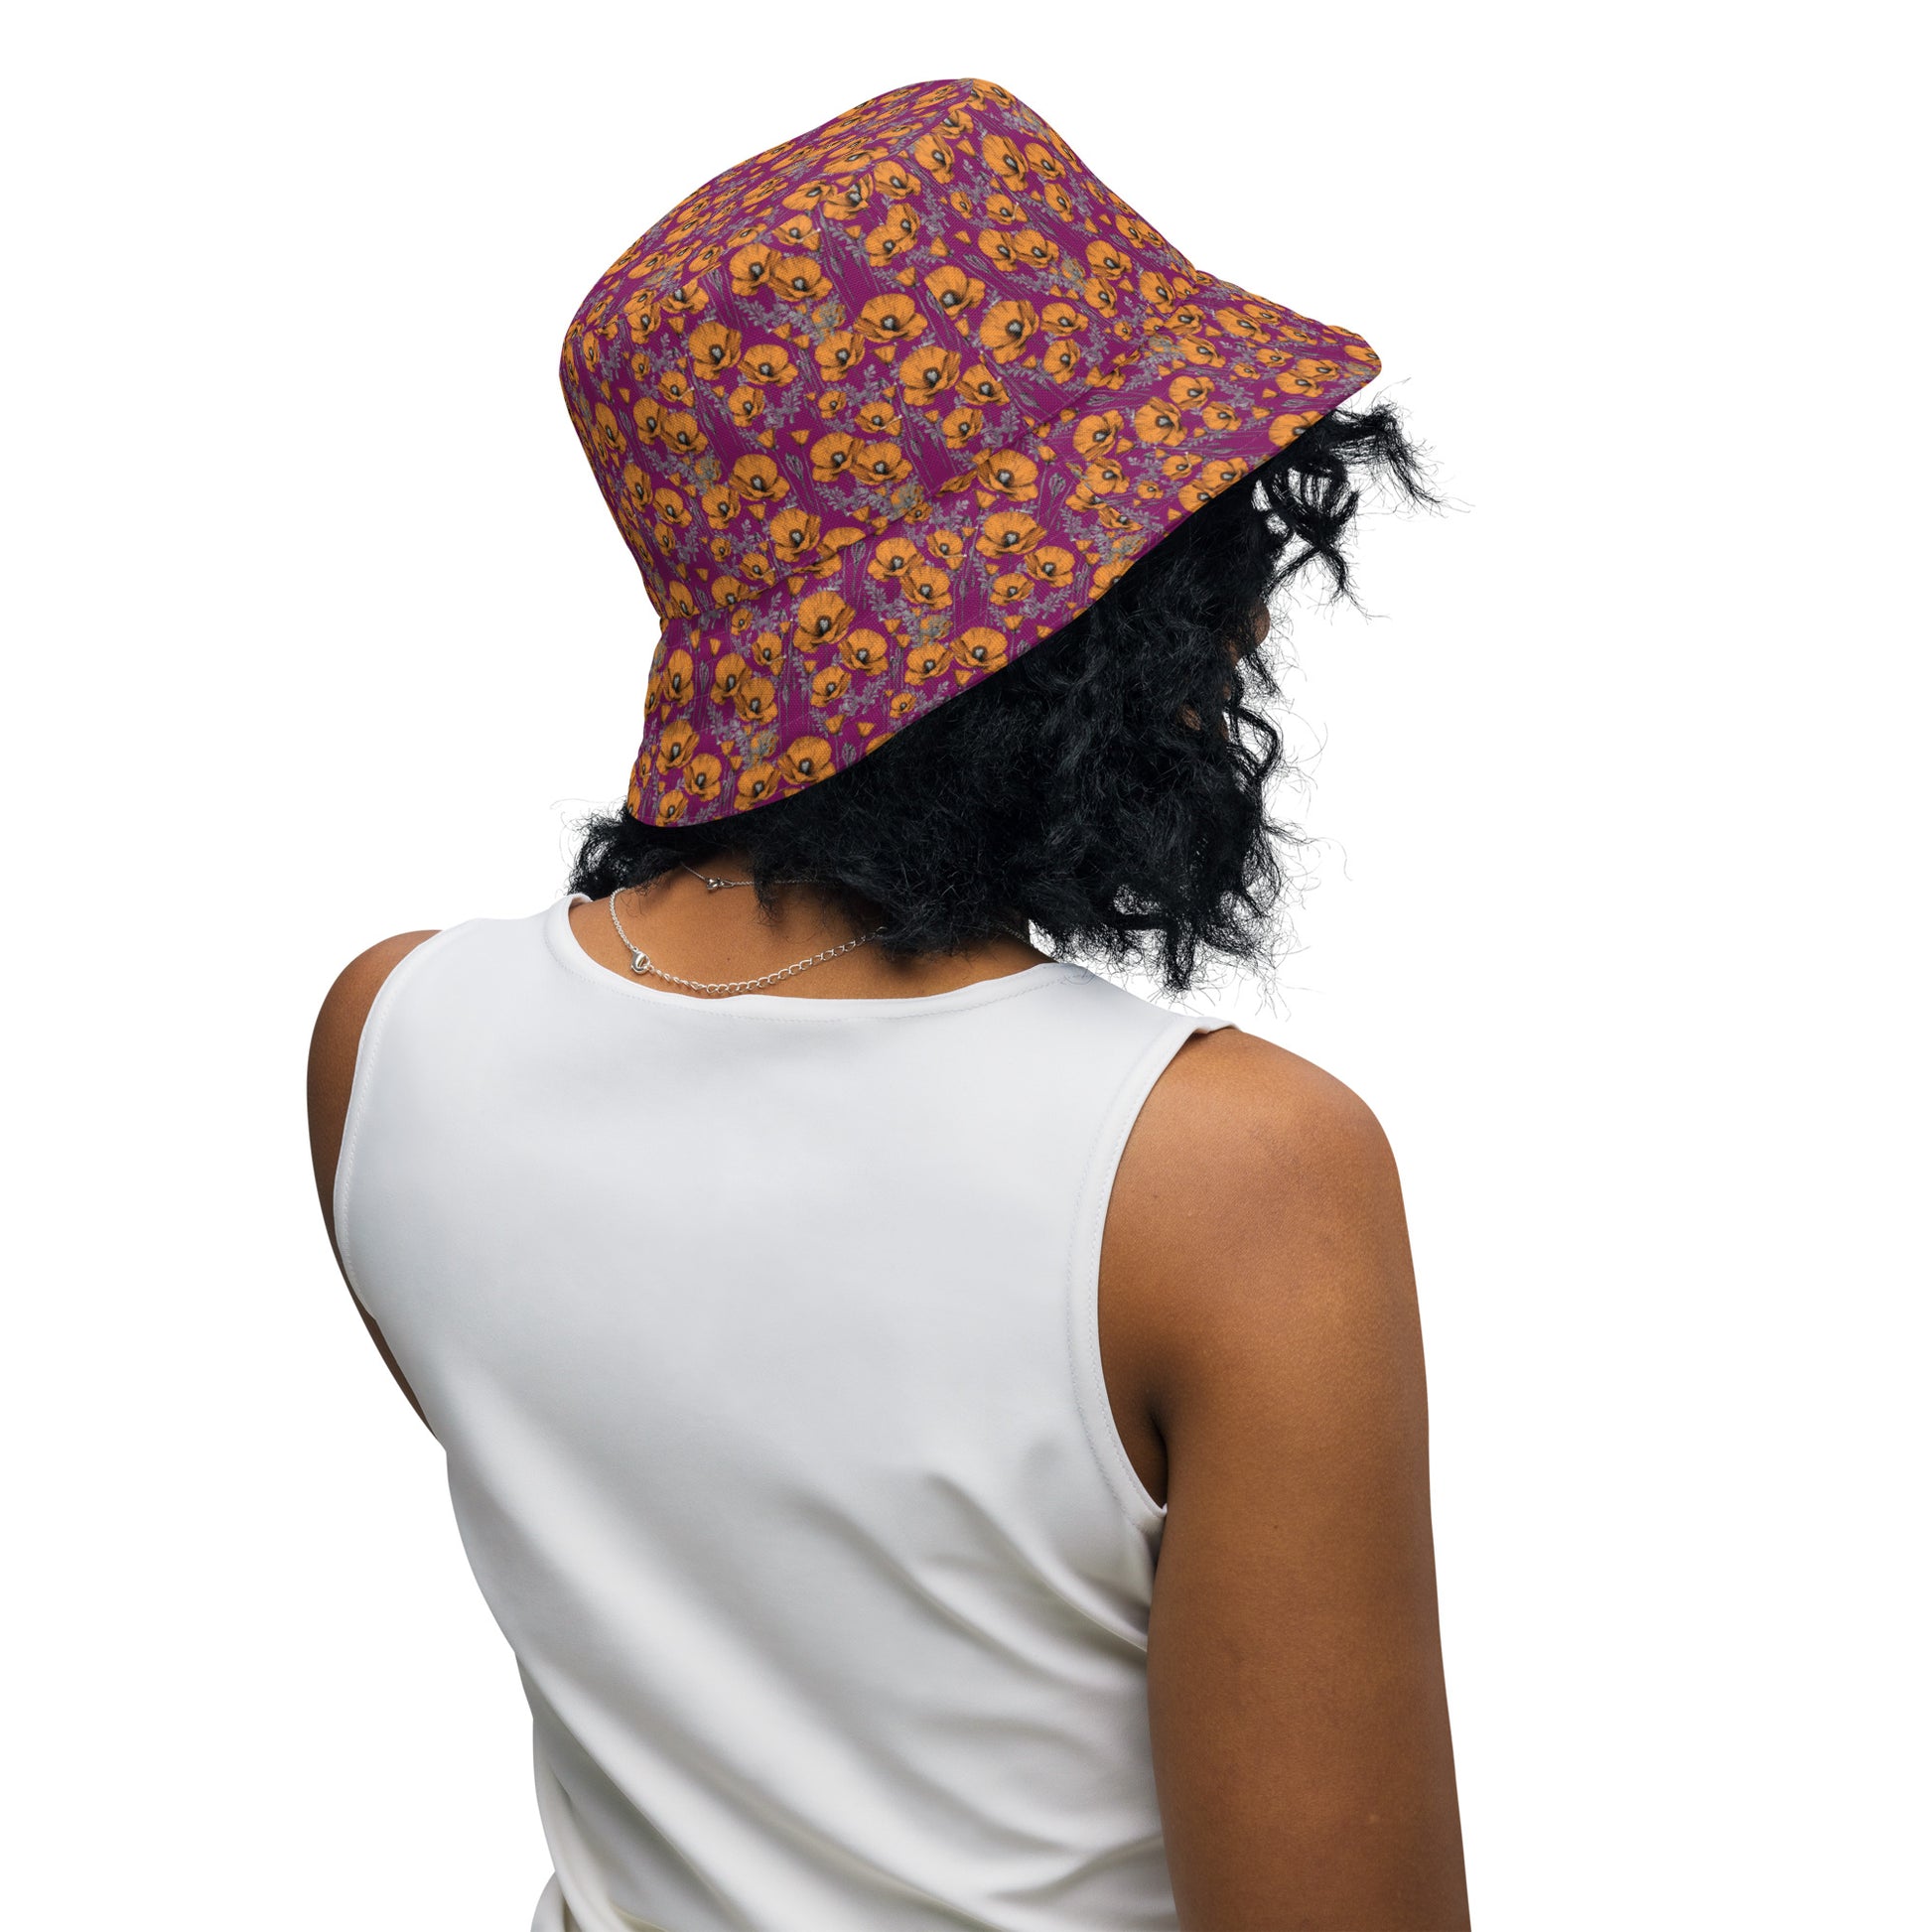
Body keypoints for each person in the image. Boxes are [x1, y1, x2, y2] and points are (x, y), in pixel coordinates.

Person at [308, 75, 1469, 1932]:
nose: (1245, 625)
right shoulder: (1225, 1172)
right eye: (1195, 558)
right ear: (1065, 618)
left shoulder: (391, 1043)